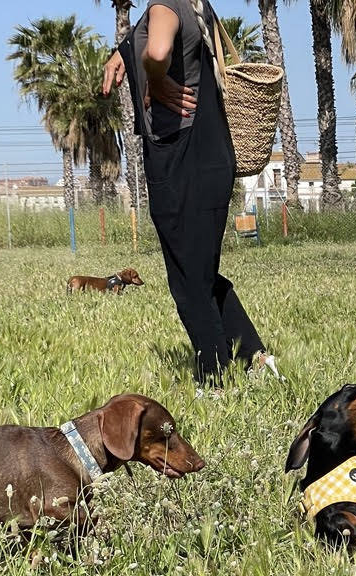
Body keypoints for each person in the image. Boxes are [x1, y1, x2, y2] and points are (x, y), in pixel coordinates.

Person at [103, 0, 277, 390]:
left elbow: (159, 50)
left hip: (180, 161)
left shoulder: (164, 4)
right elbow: (164, 36)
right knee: (199, 272)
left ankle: (213, 380)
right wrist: (123, 51)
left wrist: (156, 76)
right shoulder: (196, 5)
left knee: (187, 283)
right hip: (213, 157)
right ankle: (256, 358)